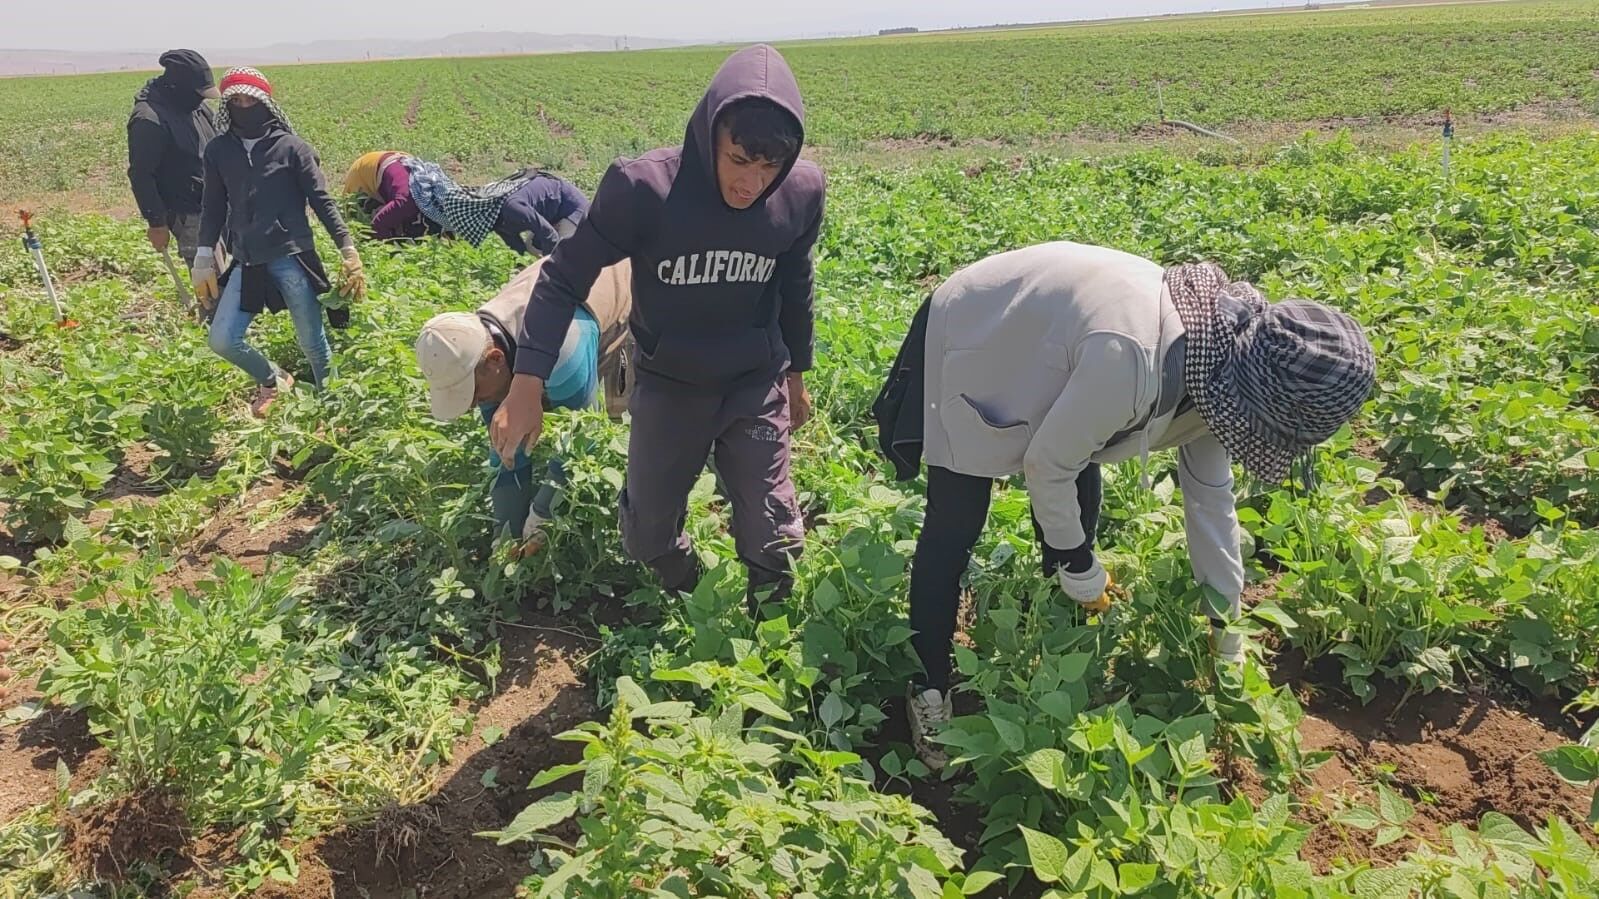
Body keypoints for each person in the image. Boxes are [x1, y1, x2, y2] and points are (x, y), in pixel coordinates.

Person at [872, 241, 1377, 770]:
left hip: (1066, 346)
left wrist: (1226, 634)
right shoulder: (1132, 361)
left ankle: (1062, 655)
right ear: (1264, 398)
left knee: (1078, 495)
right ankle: (929, 684)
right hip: (981, 330)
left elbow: (1211, 503)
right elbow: (1049, 465)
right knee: (955, 525)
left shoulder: (1222, 373)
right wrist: (1080, 565)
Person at [488, 44, 825, 616]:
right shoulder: (645, 190)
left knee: (775, 538)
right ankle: (693, 599)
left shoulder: (799, 195)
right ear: (709, 135)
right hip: (671, 384)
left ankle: (767, 640)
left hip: (752, 379)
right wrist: (525, 385)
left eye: (769, 168)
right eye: (739, 160)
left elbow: (794, 282)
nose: (752, 183)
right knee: (646, 535)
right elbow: (561, 279)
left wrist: (796, 372)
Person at [414, 258, 634, 550]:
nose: (473, 405)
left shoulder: (563, 354)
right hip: (568, 303)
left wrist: (541, 516)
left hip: (631, 294)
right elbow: (507, 453)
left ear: (495, 361)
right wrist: (504, 537)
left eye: (474, 394)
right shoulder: (475, 347)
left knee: (619, 416)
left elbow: (582, 440)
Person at [191, 67, 367, 417]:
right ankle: (273, 379)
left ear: (265, 102)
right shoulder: (219, 150)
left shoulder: (292, 148)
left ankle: (332, 411)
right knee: (222, 339)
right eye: (235, 100)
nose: (243, 106)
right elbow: (212, 206)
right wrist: (203, 256)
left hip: (291, 256)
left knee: (313, 344)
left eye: (249, 99)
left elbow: (322, 201)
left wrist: (347, 247)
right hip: (247, 260)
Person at [127, 49, 220, 267]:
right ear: (178, 86)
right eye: (198, 93)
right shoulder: (148, 119)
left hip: (215, 204)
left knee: (229, 275)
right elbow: (141, 175)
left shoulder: (196, 108)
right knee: (210, 279)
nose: (200, 99)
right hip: (189, 212)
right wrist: (157, 223)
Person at [403, 161, 590, 257]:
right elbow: (518, 250)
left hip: (570, 207)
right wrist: (520, 270)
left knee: (566, 255)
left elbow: (549, 235)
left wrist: (548, 273)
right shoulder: (497, 222)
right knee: (533, 248)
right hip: (549, 214)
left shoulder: (512, 208)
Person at [343, 150, 434, 240]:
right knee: (358, 223)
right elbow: (378, 225)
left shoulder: (438, 195)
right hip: (363, 171)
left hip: (391, 162)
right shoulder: (407, 201)